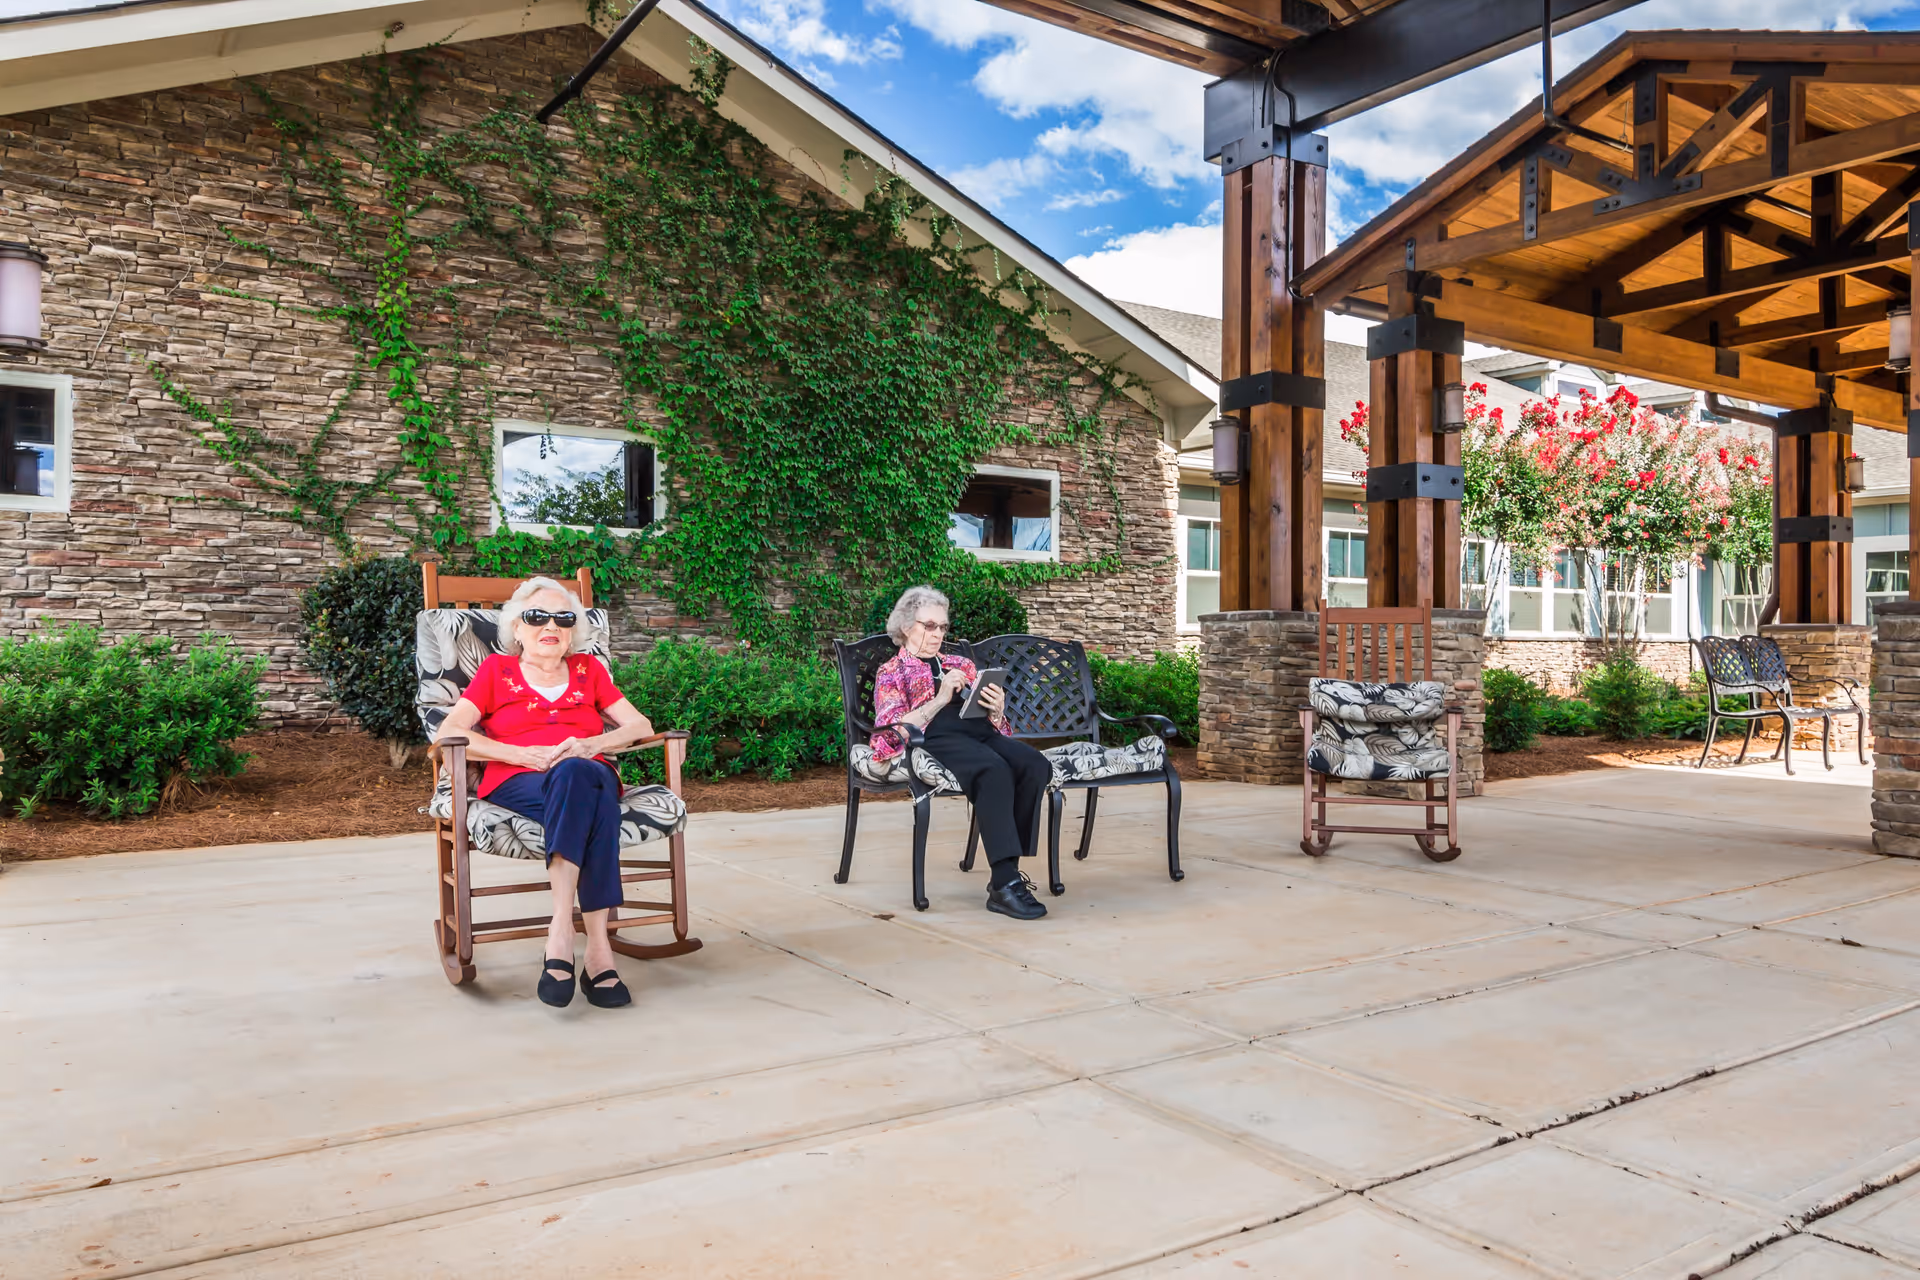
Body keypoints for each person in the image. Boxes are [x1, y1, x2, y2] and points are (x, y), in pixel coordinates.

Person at [434, 576, 661, 1009]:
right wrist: (519, 754)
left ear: (574, 630)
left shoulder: (589, 670)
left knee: (577, 774)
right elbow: (451, 731)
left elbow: (641, 726)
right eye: (536, 617)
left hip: (588, 771)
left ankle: (560, 932)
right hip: (520, 779)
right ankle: (597, 953)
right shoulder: (495, 671)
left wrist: (593, 744)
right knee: (597, 808)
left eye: (563, 617)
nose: (550, 626)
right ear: (516, 628)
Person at [871, 585, 1053, 920]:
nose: (938, 634)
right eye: (929, 626)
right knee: (993, 770)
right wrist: (940, 699)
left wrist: (997, 710)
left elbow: (999, 726)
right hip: (935, 739)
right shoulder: (891, 672)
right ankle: (1006, 882)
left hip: (978, 732)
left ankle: (1008, 871)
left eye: (942, 627)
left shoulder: (961, 664)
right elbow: (887, 737)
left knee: (1034, 764)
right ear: (906, 627)